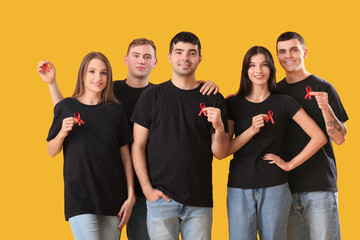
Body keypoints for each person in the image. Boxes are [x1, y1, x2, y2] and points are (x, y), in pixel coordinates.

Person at [38, 38, 219, 240]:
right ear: (126, 60)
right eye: (136, 56)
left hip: (153, 189)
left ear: (156, 62)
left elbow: (185, 95)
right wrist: (52, 84)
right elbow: (73, 110)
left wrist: (202, 85)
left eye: (147, 57)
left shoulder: (159, 95)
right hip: (112, 186)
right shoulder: (107, 90)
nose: (141, 61)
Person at [131, 31, 229, 240]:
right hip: (161, 200)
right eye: (179, 52)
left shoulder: (213, 97)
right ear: (169, 57)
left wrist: (219, 127)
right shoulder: (151, 97)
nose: (185, 58)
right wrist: (148, 190)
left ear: (199, 58)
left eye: (191, 53)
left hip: (199, 202)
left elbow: (220, 154)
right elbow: (137, 146)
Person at [225, 46, 327, 240]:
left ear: (271, 69)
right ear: (245, 71)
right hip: (239, 186)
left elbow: (319, 137)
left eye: (264, 65)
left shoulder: (284, 102)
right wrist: (251, 130)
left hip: (275, 187)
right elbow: (225, 150)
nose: (258, 70)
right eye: (252, 65)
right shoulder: (233, 104)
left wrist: (290, 165)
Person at [42, 52, 135, 240]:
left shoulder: (116, 110)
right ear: (82, 75)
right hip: (80, 196)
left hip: (113, 196)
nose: (97, 78)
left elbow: (125, 157)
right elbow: (52, 151)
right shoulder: (67, 106)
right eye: (92, 71)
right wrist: (61, 134)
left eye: (103, 73)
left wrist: (131, 195)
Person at [275, 31, 348, 240]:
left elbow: (340, 138)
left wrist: (326, 109)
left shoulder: (323, 88)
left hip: (319, 186)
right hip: (285, 188)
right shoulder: (275, 91)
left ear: (304, 53)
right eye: (282, 51)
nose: (288, 55)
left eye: (294, 50)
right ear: (277, 57)